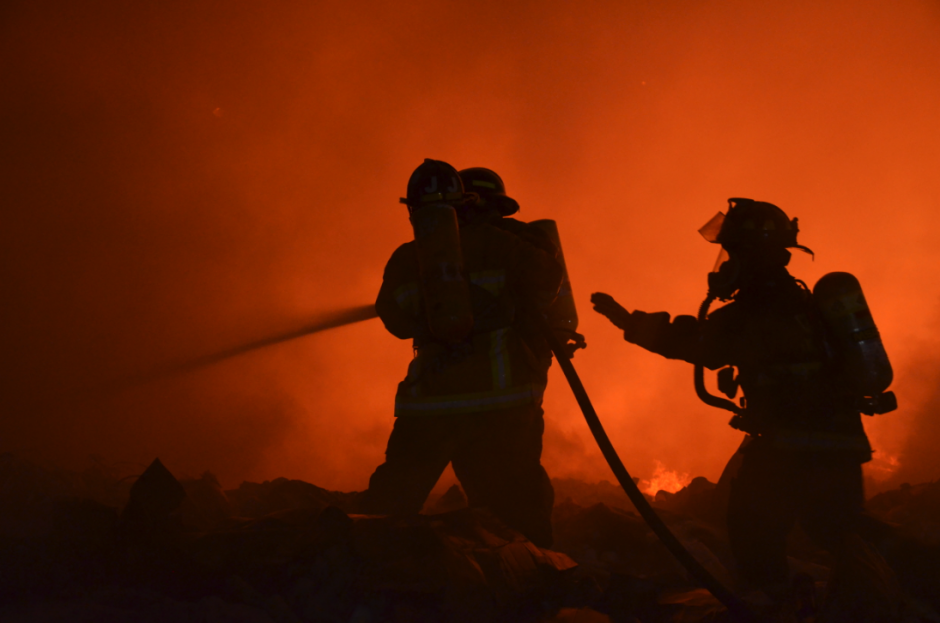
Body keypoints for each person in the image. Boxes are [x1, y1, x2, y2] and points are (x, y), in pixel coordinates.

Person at [591, 198, 891, 595]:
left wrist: (630, 323)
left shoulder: (760, 307)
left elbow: (700, 344)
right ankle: (893, 592)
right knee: (839, 532)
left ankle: (778, 608)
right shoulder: (796, 300)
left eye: (731, 253)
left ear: (753, 254)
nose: (725, 263)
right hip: (835, 442)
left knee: (753, 532)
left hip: (789, 446)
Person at [356, 159, 564, 547]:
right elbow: (548, 283)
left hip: (431, 407)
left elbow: (396, 322)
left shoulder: (406, 258)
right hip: (500, 405)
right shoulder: (504, 244)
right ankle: (537, 587)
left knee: (387, 508)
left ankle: (353, 579)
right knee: (517, 512)